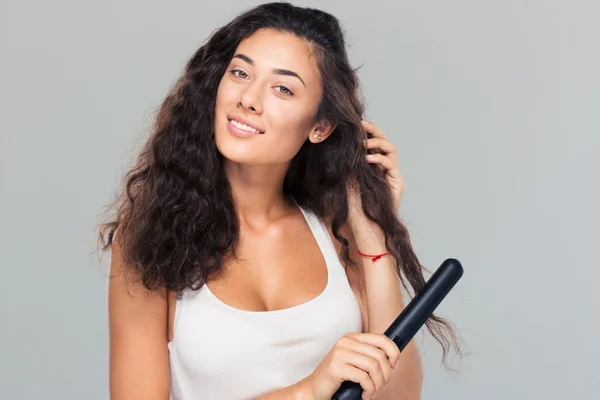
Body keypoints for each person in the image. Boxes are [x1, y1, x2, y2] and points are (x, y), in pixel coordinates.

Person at [100, 2, 462, 400]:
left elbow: (400, 397)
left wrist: (376, 233)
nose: (249, 99)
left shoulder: (336, 231)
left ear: (319, 127)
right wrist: (307, 392)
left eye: (283, 88)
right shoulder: (153, 238)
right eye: (240, 73)